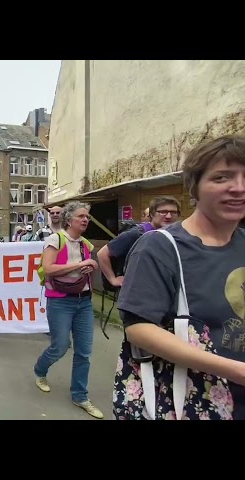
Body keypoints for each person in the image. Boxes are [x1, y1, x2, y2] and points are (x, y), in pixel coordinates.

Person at [113, 135, 245, 420]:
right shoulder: (159, 246)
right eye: (222, 177)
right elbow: (138, 329)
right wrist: (235, 370)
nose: (238, 188)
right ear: (194, 187)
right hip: (187, 402)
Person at [33, 201, 103, 419]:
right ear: (69, 219)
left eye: (87, 217)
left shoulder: (86, 245)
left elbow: (92, 269)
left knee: (84, 352)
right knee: (60, 346)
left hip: (84, 302)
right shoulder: (56, 239)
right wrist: (79, 265)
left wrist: (93, 266)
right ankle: (40, 371)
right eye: (81, 216)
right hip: (60, 302)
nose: (85, 220)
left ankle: (80, 396)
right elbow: (49, 269)